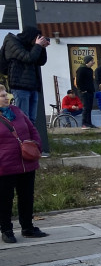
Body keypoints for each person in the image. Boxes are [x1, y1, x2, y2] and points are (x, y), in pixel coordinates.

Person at [0, 84, 47, 243]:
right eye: (2, 96)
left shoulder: (17, 111)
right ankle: (6, 230)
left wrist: (37, 145)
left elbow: (32, 129)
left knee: (27, 196)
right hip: (5, 165)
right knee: (5, 199)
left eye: (6, 94)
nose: (6, 98)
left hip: (27, 162)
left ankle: (27, 227)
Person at [3, 26, 49, 126]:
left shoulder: (29, 45)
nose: (36, 41)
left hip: (33, 86)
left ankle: (30, 141)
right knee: (23, 118)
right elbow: (28, 58)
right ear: (30, 36)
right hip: (20, 85)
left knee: (31, 120)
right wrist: (37, 46)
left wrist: (42, 48)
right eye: (35, 38)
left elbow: (41, 61)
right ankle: (22, 140)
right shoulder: (12, 42)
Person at [76, 55, 97, 128]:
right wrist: (82, 90)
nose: (93, 62)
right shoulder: (81, 69)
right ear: (87, 62)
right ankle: (84, 123)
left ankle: (89, 123)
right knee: (86, 107)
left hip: (90, 91)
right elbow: (78, 81)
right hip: (84, 92)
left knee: (89, 108)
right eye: (91, 61)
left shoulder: (90, 70)